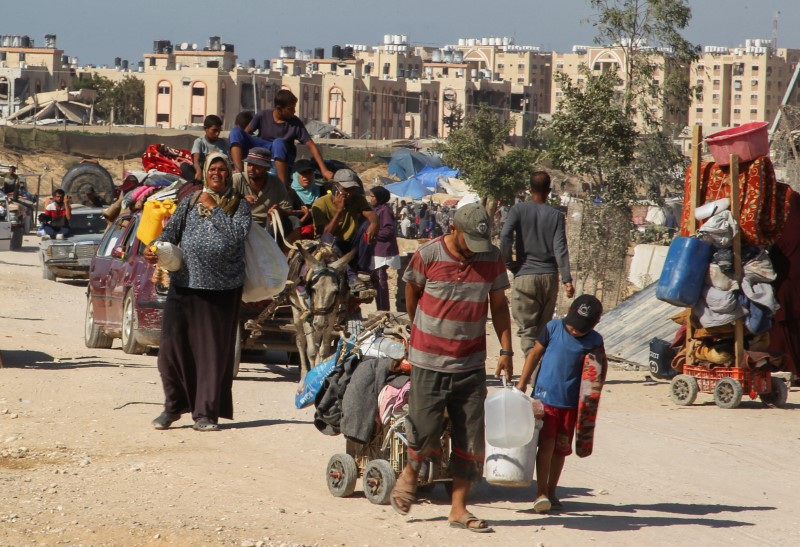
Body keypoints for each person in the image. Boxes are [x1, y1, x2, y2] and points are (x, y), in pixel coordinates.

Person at [390, 203, 513, 533]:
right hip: (429, 360)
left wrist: (506, 350)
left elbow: (499, 306)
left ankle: (459, 509)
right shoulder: (427, 255)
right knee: (425, 427)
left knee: (470, 439)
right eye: (469, 241)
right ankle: (410, 474)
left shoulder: (492, 259)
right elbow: (411, 294)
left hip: (471, 362)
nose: (475, 250)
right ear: (453, 230)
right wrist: (421, 333)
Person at [144, 152, 251, 432]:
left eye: (223, 169)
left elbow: (236, 236)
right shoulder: (189, 201)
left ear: (229, 174)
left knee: (211, 355)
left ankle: (205, 414)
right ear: (205, 173)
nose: (217, 173)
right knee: (170, 350)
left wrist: (214, 207)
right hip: (184, 286)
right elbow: (170, 234)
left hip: (221, 290)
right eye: (212, 169)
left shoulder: (238, 206)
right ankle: (173, 407)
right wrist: (154, 248)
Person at [516, 295, 605, 514]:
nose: (574, 330)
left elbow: (597, 375)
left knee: (560, 450)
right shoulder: (553, 328)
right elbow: (534, 353)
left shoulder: (594, 341)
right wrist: (522, 383)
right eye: (572, 325)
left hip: (571, 405)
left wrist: (588, 407)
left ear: (594, 324)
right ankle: (541, 492)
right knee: (545, 446)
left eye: (580, 328)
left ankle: (553, 492)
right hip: (545, 400)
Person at [501, 171, 575, 365]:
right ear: (549, 191)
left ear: (529, 189)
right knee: (543, 332)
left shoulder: (518, 211)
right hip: (549, 278)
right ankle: (541, 374)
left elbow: (505, 236)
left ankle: (533, 375)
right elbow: (560, 247)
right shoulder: (557, 216)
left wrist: (509, 263)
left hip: (525, 275)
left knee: (528, 332)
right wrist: (567, 279)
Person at [246, 90, 334, 186]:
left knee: (278, 143)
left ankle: (282, 186)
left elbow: (311, 145)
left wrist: (324, 170)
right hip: (264, 152)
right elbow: (246, 133)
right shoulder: (262, 115)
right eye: (290, 108)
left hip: (283, 155)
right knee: (236, 133)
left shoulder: (295, 123)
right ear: (279, 109)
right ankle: (237, 170)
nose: (294, 111)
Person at [311, 169, 377, 290]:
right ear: (334, 187)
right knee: (328, 238)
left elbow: (370, 214)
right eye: (345, 189)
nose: (349, 193)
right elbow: (325, 233)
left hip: (349, 243)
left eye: (352, 189)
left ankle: (363, 270)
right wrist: (339, 211)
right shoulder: (320, 204)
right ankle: (351, 276)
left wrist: (373, 223)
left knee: (367, 225)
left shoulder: (357, 199)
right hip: (329, 246)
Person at [231, 147, 292, 235]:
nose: (251, 168)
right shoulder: (237, 179)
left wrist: (279, 211)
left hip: (268, 224)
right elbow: (226, 205)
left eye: (257, 166)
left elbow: (287, 209)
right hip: (243, 223)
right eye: (249, 164)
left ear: (267, 168)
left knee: (294, 221)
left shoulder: (276, 182)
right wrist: (242, 201)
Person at [368, 186, 400, 311]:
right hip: (376, 249)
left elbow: (388, 230)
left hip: (383, 251)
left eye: (372, 196)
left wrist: (372, 234)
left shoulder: (385, 210)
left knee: (381, 279)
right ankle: (381, 308)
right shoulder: (376, 209)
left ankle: (383, 310)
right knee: (377, 280)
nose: (370, 199)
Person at [287, 159, 320, 239]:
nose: (307, 177)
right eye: (303, 174)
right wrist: (306, 216)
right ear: (295, 175)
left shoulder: (320, 191)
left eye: (310, 173)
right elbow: (289, 225)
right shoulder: (289, 195)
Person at [191, 115, 229, 181]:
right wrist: (198, 171)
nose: (217, 133)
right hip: (203, 172)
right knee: (185, 167)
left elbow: (227, 161)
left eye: (219, 131)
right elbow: (196, 161)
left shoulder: (223, 143)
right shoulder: (199, 142)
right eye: (214, 130)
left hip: (218, 173)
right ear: (206, 129)